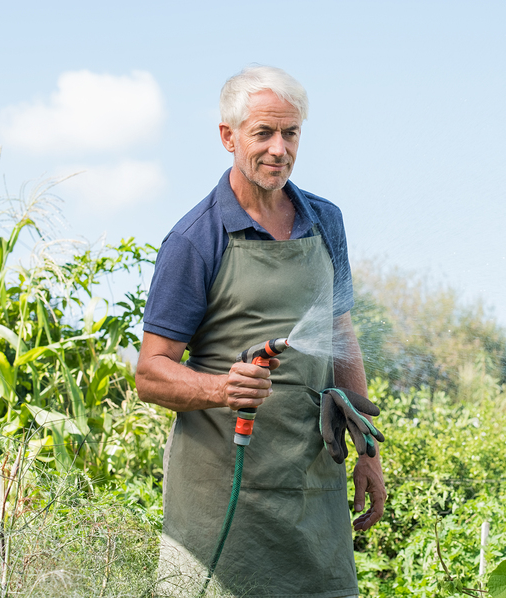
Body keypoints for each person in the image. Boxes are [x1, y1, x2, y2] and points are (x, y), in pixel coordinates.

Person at [135, 65, 385, 598]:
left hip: (313, 484)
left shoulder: (325, 220)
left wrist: (369, 451)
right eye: (263, 134)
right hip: (222, 493)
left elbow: (340, 333)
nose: (279, 149)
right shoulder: (194, 239)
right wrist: (220, 389)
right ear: (228, 137)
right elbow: (150, 374)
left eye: (290, 133)